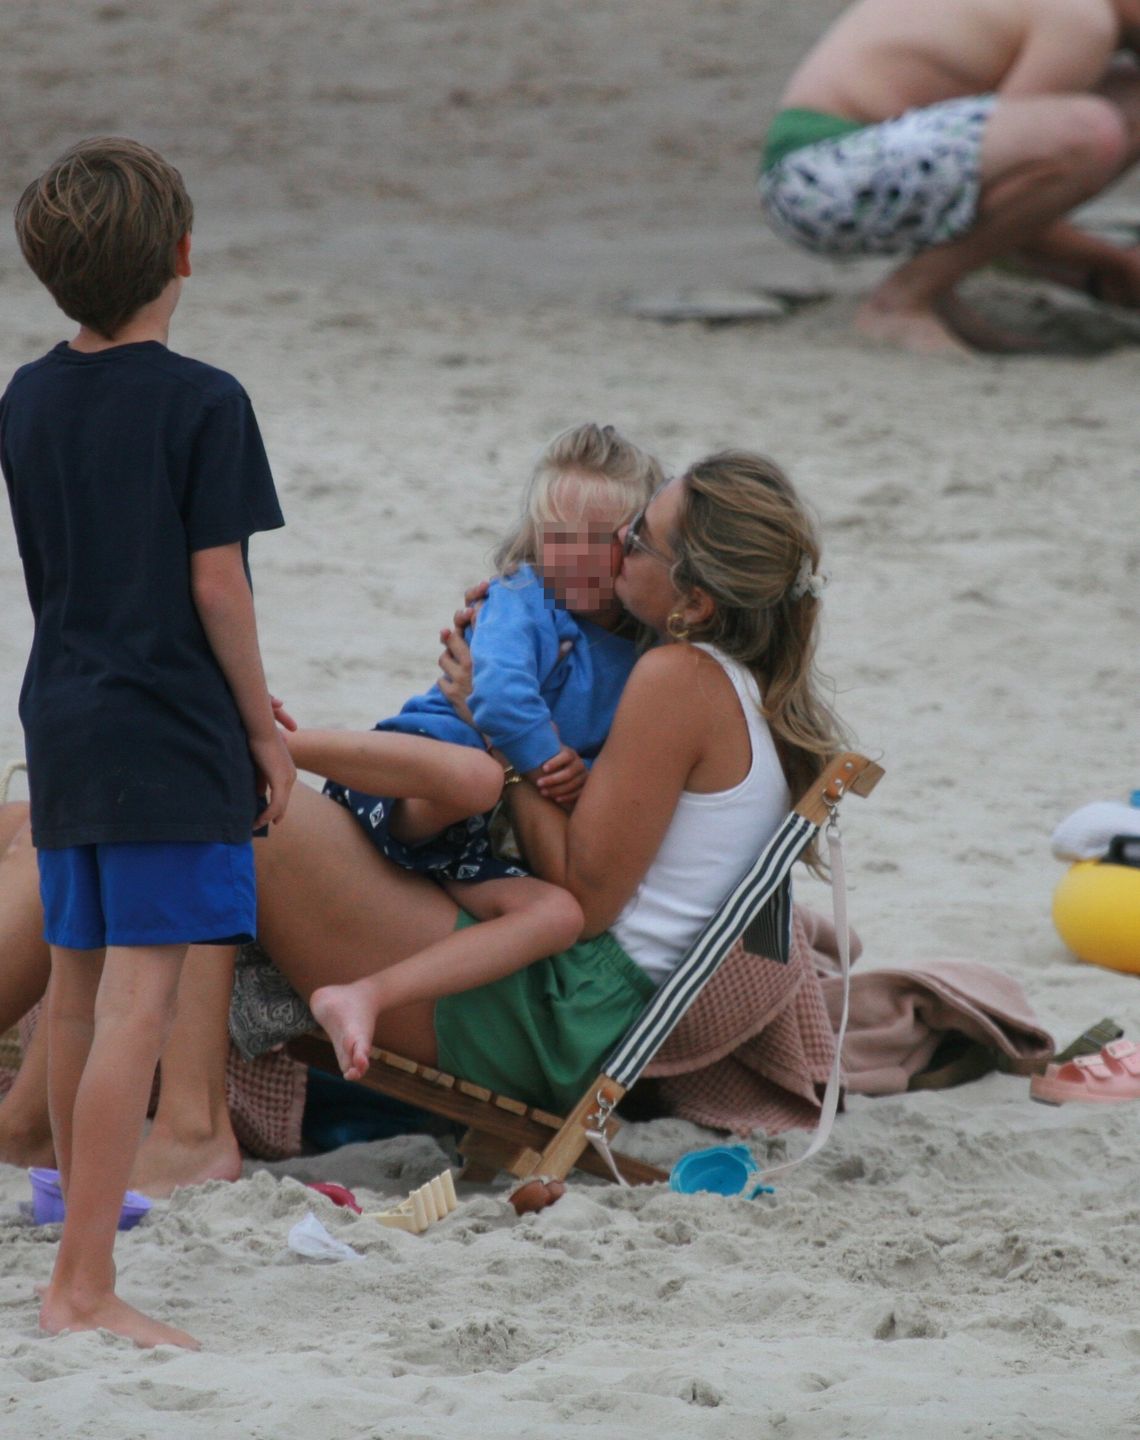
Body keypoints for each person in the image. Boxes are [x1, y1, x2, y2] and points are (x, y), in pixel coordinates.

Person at [260, 450, 846, 1154]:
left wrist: (499, 737)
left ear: (695, 603)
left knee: (247, 810)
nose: (616, 547)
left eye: (636, 539)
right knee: (260, 802)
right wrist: (532, 610)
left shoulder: (678, 682)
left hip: (556, 1019)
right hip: (580, 1008)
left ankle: (192, 1126)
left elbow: (584, 901)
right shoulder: (743, 684)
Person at [0, 137, 295, 1349]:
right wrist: (263, 728)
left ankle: (81, 1222)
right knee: (139, 1008)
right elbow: (216, 588)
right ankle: (81, 1285)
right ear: (181, 256)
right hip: (166, 729)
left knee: (75, 998)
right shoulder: (203, 401)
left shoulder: (25, 396)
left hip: (60, 715)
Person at [289, 424, 663, 1080]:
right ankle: (272, 743)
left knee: (558, 915)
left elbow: (623, 755)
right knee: (475, 777)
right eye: (556, 538)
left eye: (597, 542)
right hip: (416, 780)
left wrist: (589, 773)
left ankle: (367, 994)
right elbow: (497, 692)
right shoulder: (523, 598)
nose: (570, 558)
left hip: (469, 843)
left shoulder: (645, 661)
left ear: (636, 546)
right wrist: (549, 761)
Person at [759, 0, 1140, 354]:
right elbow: (1027, 178)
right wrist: (1114, 266)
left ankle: (938, 290)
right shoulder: (1080, 19)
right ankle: (900, 301)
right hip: (821, 177)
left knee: (1117, 107)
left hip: (825, 175)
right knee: (1089, 133)